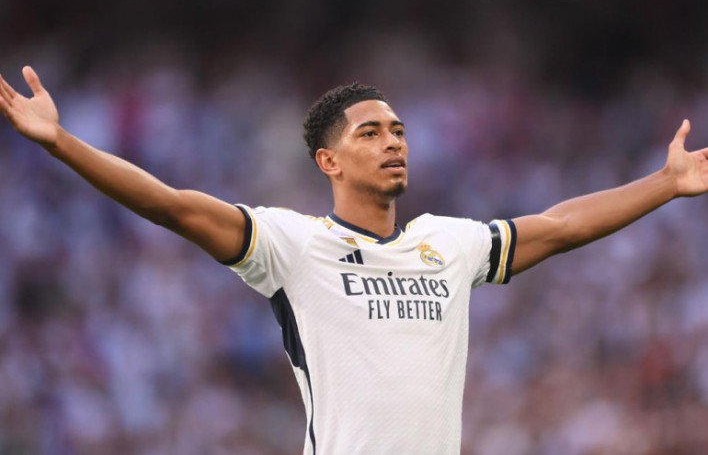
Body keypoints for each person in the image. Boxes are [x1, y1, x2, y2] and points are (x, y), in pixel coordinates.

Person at [0, 66, 706, 454]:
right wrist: (63, 143)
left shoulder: (449, 243)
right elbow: (173, 207)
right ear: (328, 161)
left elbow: (559, 226)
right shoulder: (292, 245)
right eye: (370, 133)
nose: (393, 141)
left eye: (398, 130)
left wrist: (666, 183)